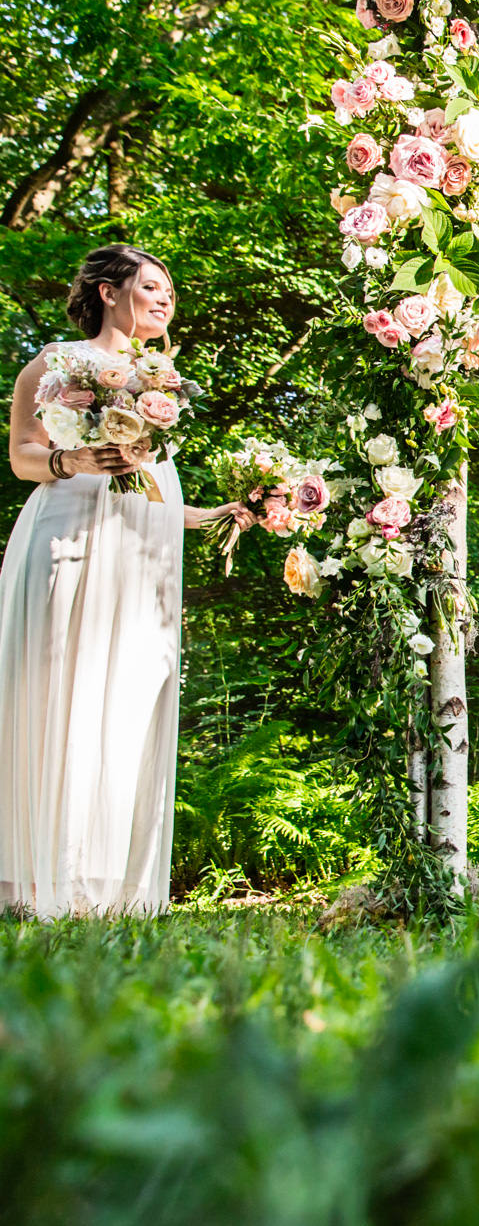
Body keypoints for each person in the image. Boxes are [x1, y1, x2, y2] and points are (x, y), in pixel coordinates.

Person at [0, 245, 250, 918]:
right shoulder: (57, 360)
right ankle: (40, 877)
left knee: (131, 695)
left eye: (170, 290)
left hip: (143, 555)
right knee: (63, 691)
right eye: (150, 286)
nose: (165, 299)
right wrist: (73, 457)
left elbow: (151, 484)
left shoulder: (161, 376)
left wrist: (208, 514)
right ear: (109, 292)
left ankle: (110, 882)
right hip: (74, 535)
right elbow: (23, 453)